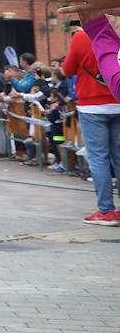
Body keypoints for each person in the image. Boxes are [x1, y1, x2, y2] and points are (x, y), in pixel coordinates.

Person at [60, 25, 120, 225]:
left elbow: (68, 69)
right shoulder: (117, 32)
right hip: (117, 101)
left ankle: (106, 211)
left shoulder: (81, 37)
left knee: (98, 159)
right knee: (118, 158)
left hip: (92, 106)